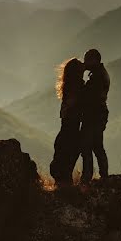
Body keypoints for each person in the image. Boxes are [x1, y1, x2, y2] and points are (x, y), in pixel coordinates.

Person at [49, 58, 85, 186]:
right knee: (70, 153)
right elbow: (75, 104)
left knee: (65, 152)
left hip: (67, 126)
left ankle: (62, 181)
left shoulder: (68, 85)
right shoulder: (77, 86)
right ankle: (64, 182)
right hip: (72, 126)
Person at [80, 48, 110, 184]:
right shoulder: (99, 74)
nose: (84, 61)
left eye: (87, 59)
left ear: (94, 60)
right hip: (99, 114)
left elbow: (88, 95)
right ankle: (104, 176)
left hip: (94, 115)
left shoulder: (97, 76)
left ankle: (87, 177)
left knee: (87, 145)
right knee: (97, 145)